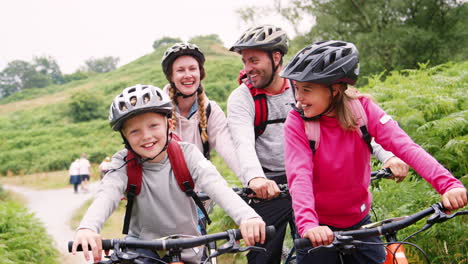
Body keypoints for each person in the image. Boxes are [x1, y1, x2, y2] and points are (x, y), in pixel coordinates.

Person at [227, 25, 409, 264]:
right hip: (269, 185)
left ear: (276, 57)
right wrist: (254, 179)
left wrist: (388, 156)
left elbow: (355, 123)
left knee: (319, 248)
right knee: (263, 256)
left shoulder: (306, 85)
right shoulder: (242, 98)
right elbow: (243, 144)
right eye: (244, 61)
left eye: (253, 60)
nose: (247, 68)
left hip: (313, 179)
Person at [281, 40, 467, 263]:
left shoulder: (363, 109)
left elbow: (406, 147)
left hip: (360, 222)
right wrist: (309, 225)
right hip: (318, 228)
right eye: (296, 89)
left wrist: (448, 185)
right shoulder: (297, 122)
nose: (298, 99)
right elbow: (299, 175)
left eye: (307, 90)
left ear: (335, 89)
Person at [71, 84, 266, 264]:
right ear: (125, 137)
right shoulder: (123, 162)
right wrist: (88, 228)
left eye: (153, 126)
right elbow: (107, 195)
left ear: (169, 125)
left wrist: (247, 217)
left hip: (191, 248)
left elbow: (217, 186)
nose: (146, 136)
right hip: (142, 250)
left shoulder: (187, 153)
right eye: (134, 131)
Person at [161, 42, 244, 238]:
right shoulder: (158, 108)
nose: (188, 75)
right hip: (163, 199)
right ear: (171, 77)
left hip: (198, 198)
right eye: (180, 70)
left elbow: (228, 148)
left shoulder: (210, 110)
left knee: (199, 252)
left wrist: (251, 180)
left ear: (201, 73)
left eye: (193, 69)